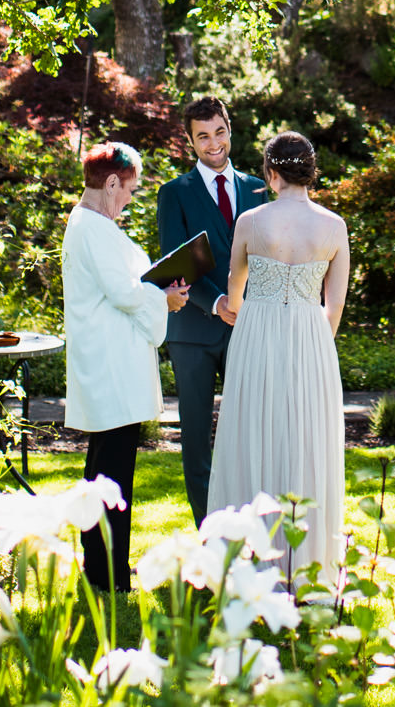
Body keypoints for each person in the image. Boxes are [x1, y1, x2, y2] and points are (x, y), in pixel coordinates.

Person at [206, 132, 350, 581]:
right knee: (306, 438)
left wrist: (244, 315)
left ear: (271, 174)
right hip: (312, 335)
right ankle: (306, 564)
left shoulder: (251, 221)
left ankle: (246, 561)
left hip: (257, 333)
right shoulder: (333, 226)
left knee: (251, 430)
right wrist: (315, 346)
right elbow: (337, 303)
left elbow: (235, 285)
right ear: (309, 172)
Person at [62, 141, 191, 591]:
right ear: (112, 182)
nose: (130, 199)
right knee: (111, 473)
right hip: (109, 365)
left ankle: (105, 566)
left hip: (113, 362)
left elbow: (128, 281)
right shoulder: (91, 228)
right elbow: (124, 292)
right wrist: (165, 298)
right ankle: (107, 573)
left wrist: (161, 285)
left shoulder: (95, 225)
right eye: (129, 190)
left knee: (107, 468)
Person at [154, 97, 268, 526]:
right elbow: (176, 261)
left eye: (219, 132)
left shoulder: (259, 188)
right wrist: (217, 302)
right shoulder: (175, 194)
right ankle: (211, 536)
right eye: (203, 136)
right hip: (194, 332)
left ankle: (253, 529)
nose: (213, 143)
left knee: (250, 433)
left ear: (229, 130)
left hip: (249, 327)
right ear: (190, 142)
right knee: (197, 439)